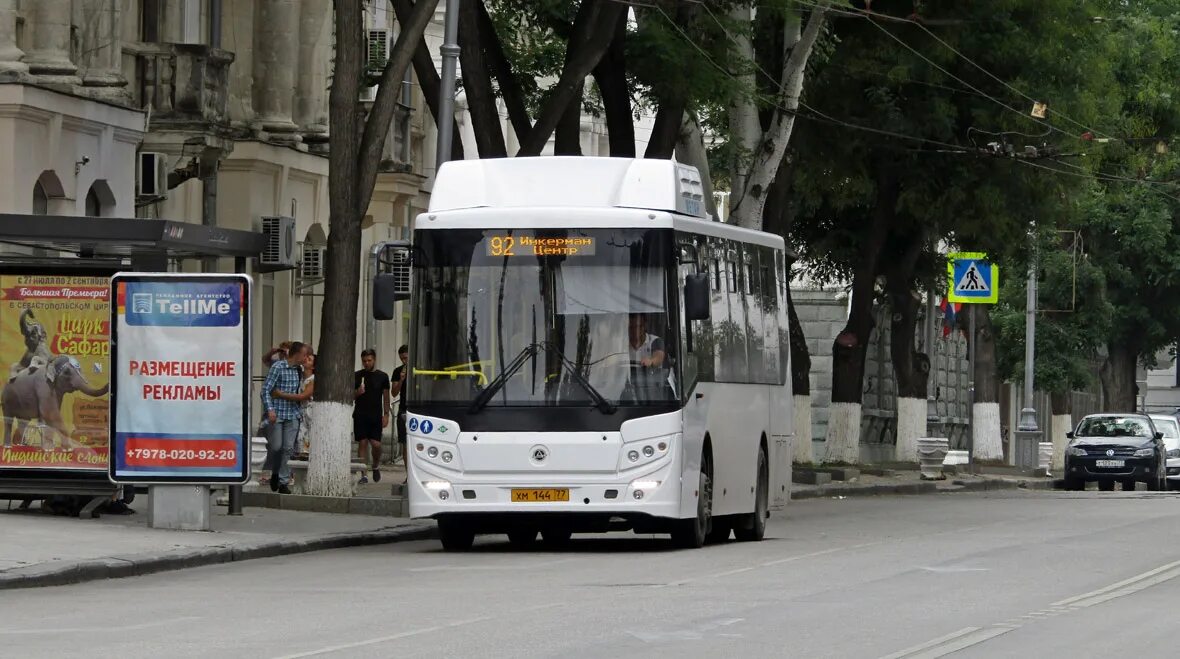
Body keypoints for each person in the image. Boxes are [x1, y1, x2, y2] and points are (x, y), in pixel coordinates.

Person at [261, 342, 311, 494]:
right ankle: (275, 472)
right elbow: (265, 390)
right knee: (276, 447)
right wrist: (270, 410)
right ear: (296, 354)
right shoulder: (278, 367)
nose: (305, 358)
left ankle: (283, 482)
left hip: (292, 414)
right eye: (304, 355)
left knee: (288, 449)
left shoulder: (299, 370)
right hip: (277, 414)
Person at [354, 349, 391, 484]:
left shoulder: (382, 376)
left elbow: (386, 397)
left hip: (375, 415)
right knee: (362, 443)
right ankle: (363, 474)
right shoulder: (357, 376)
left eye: (369, 360)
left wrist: (386, 414)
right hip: (360, 414)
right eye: (364, 361)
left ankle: (375, 465)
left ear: (374, 360)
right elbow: (349, 396)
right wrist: (358, 392)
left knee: (376, 444)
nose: (366, 363)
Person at [274, 352, 315, 458]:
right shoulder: (299, 376)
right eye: (306, 357)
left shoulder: (313, 380)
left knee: (308, 439)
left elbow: (302, 396)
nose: (306, 360)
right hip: (300, 412)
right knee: (299, 440)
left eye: (309, 360)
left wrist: (280, 394)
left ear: (313, 366)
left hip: (310, 412)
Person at [390, 345, 409, 476]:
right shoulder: (398, 371)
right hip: (403, 409)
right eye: (402, 358)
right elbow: (394, 392)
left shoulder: (417, 368)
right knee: (405, 443)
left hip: (417, 409)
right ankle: (408, 475)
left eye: (406, 358)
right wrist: (401, 380)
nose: (404, 361)